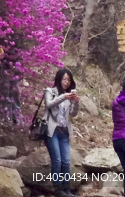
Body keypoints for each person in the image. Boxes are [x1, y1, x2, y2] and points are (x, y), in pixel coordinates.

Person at [44, 68, 80, 197]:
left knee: (66, 161)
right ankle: (58, 190)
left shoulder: (69, 96)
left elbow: (73, 114)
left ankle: (67, 189)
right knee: (57, 160)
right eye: (64, 79)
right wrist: (63, 96)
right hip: (52, 131)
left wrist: (76, 102)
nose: (66, 82)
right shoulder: (50, 91)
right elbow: (49, 104)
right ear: (59, 79)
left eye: (68, 80)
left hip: (64, 132)